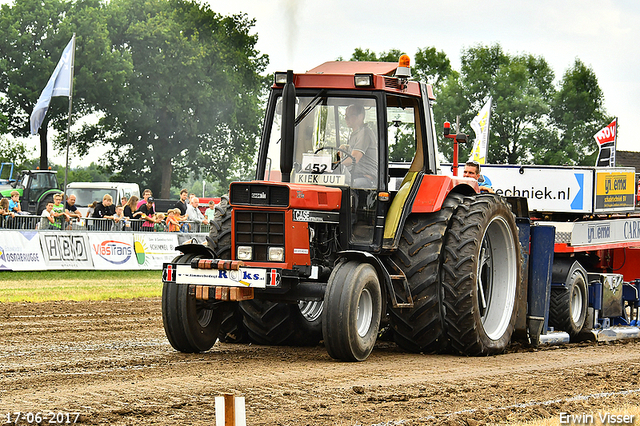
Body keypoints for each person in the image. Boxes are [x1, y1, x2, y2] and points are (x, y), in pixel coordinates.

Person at [338, 104, 378, 189]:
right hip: (354, 176)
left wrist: (333, 166)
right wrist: (345, 147)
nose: (346, 118)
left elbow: (354, 158)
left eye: (350, 115)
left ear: (361, 116)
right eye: (345, 116)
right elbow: (355, 149)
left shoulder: (364, 133)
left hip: (364, 179)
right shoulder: (356, 133)